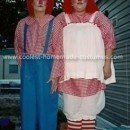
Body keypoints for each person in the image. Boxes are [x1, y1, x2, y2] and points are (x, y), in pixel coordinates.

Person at [51, 0, 116, 129]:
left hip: (93, 73)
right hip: (69, 74)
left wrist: (107, 64)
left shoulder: (97, 16)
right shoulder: (61, 19)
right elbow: (56, 46)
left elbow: (110, 40)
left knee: (89, 113)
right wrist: (56, 72)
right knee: (73, 112)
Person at [14, 0, 58, 130]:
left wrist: (55, 74)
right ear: (31, 3)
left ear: (48, 3)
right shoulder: (22, 24)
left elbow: (60, 50)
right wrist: (24, 64)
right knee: (28, 106)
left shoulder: (55, 23)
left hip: (47, 69)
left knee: (47, 107)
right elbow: (17, 46)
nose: (40, 1)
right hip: (28, 68)